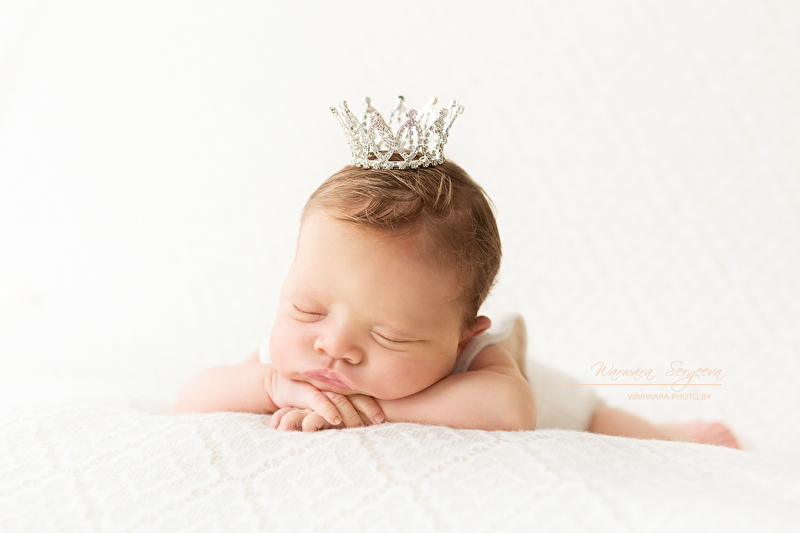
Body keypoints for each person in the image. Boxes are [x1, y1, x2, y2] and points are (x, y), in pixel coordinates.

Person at [172, 158, 739, 448]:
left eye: (390, 336)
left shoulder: (484, 358)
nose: (334, 345)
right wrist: (272, 386)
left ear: (463, 337)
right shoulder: (294, 354)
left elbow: (510, 411)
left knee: (615, 427)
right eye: (307, 309)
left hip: (576, 410)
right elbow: (191, 400)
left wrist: (369, 411)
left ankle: (675, 435)